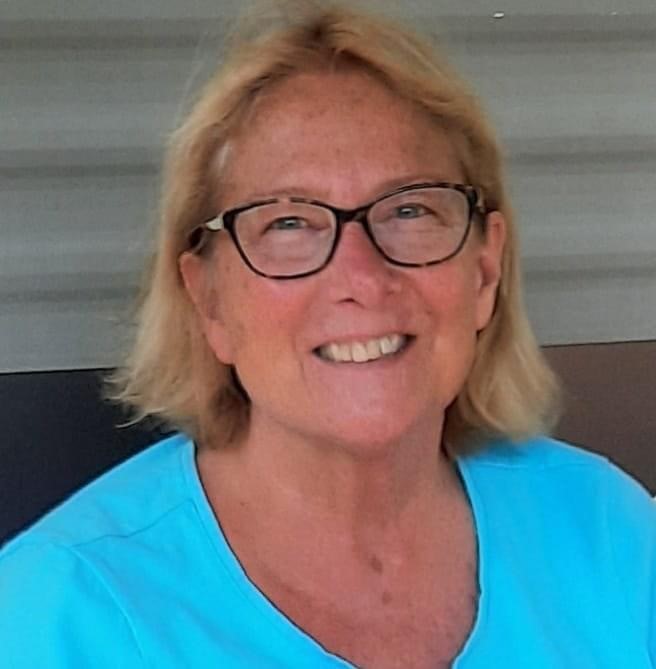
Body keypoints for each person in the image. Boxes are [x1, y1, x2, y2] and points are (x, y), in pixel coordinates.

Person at [1, 4, 654, 668]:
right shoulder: (57, 612)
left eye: (409, 210)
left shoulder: (609, 532)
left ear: (484, 270)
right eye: (287, 224)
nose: (362, 278)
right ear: (209, 300)